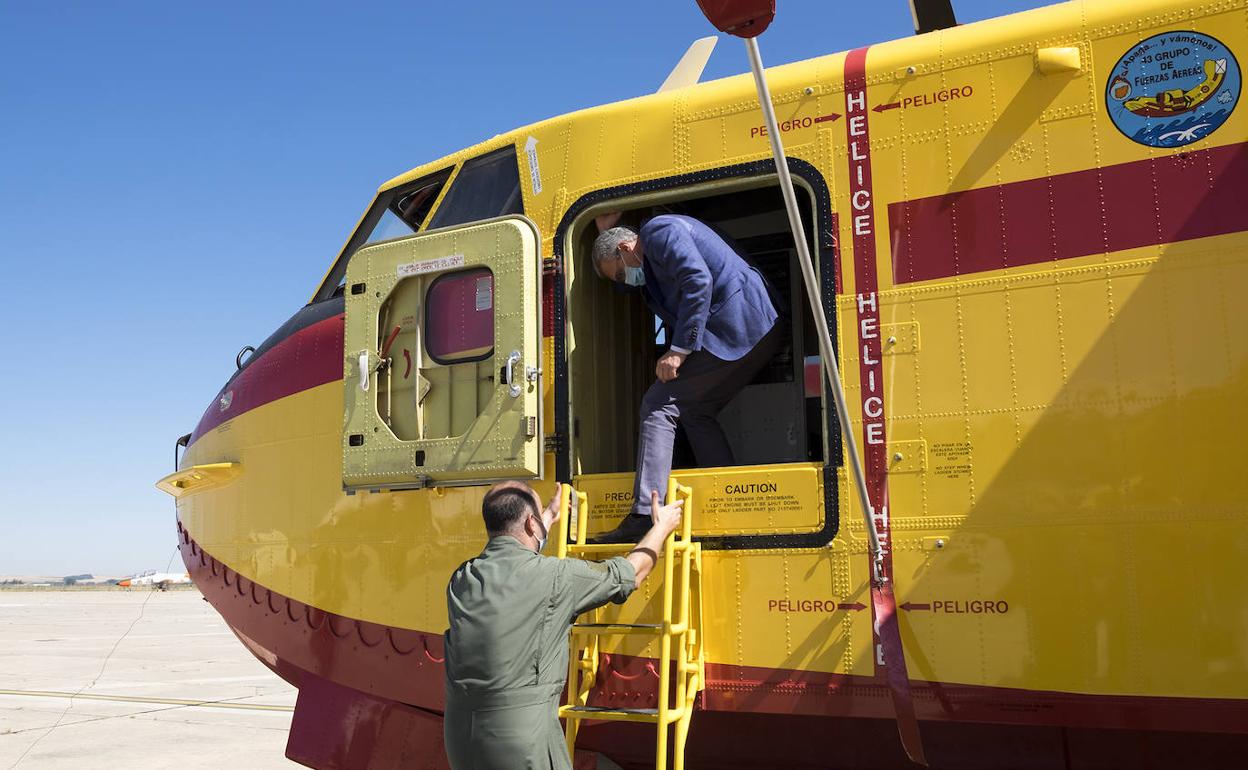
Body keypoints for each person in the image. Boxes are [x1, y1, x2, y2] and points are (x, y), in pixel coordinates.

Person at [443, 481, 684, 770]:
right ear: (531, 523)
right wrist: (662, 525)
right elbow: (631, 574)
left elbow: (517, 547)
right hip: (521, 739)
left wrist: (547, 517)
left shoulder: (462, 579)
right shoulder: (557, 577)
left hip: (460, 739)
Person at [590, 213, 781, 543]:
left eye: (622, 273)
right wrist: (603, 236)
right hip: (756, 328)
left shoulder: (659, 231)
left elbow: (697, 281)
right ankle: (732, 507)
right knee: (695, 413)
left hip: (740, 322)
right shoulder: (643, 263)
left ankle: (644, 514)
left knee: (658, 405)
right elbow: (634, 278)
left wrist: (679, 349)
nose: (626, 281)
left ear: (625, 247)